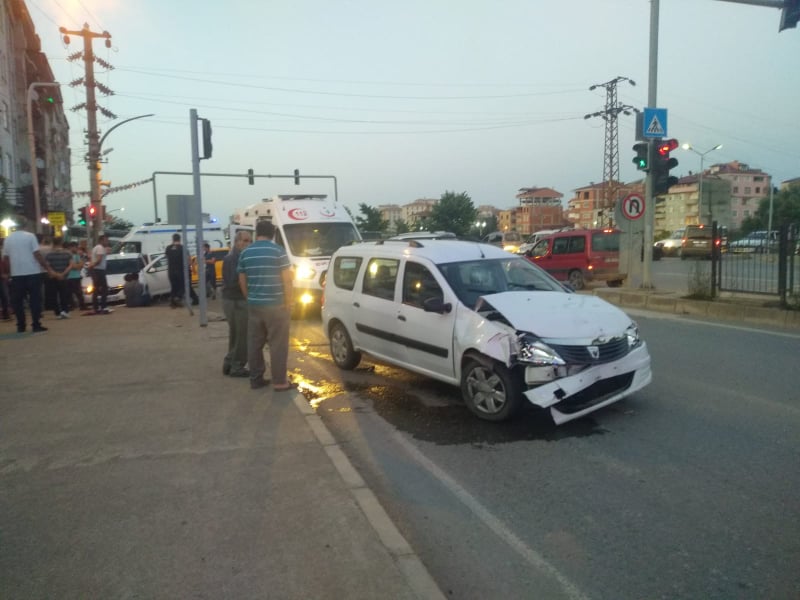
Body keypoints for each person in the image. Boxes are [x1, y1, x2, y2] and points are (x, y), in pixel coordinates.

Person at [238, 220, 294, 390]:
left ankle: (256, 379)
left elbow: (242, 279)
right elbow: (287, 280)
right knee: (278, 345)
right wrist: (289, 302)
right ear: (273, 234)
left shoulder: (246, 252)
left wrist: (250, 298)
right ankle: (279, 382)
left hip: (255, 305)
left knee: (255, 344)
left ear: (257, 233)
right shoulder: (278, 251)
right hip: (276, 306)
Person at [1, 217, 58, 333]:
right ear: (25, 226)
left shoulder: (8, 240)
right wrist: (47, 268)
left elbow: (6, 258)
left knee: (18, 301)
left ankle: (21, 325)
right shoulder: (30, 237)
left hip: (17, 274)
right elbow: (36, 254)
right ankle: (36, 324)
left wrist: (8, 272)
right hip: (33, 272)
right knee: (35, 300)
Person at [221, 230, 252, 377]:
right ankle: (237, 366)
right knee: (243, 335)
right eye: (245, 241)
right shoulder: (235, 258)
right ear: (237, 242)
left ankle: (229, 362)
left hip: (232, 300)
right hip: (236, 301)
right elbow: (234, 281)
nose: (247, 244)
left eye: (249, 241)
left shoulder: (233, 257)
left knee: (236, 334)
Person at [165, 233, 198, 308]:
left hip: (171, 271)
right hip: (181, 271)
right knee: (184, 286)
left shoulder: (168, 248)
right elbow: (189, 260)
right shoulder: (183, 248)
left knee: (174, 287)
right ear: (180, 239)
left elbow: (167, 258)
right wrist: (192, 268)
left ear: (172, 239)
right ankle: (179, 298)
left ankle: (174, 302)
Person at [44, 238, 73, 319]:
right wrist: (63, 274)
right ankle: (65, 311)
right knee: (64, 294)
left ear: (53, 243)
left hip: (53, 277)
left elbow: (47, 266)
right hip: (64, 277)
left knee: (54, 295)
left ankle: (58, 312)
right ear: (61, 243)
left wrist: (55, 274)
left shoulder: (49, 254)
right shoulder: (68, 253)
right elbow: (70, 265)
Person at [88, 234, 110, 314]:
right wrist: (92, 265)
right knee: (104, 289)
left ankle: (96, 307)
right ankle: (103, 306)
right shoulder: (100, 248)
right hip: (99, 270)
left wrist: (91, 266)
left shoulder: (96, 248)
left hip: (96, 270)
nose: (107, 242)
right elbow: (99, 260)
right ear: (101, 240)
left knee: (96, 289)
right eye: (105, 240)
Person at [66, 241, 87, 312]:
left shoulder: (77, 255)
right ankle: (71, 305)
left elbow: (80, 265)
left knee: (79, 292)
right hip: (69, 276)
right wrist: (77, 265)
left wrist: (76, 265)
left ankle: (82, 306)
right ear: (71, 247)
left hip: (77, 276)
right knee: (69, 293)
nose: (76, 249)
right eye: (75, 247)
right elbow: (75, 266)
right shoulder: (67, 255)